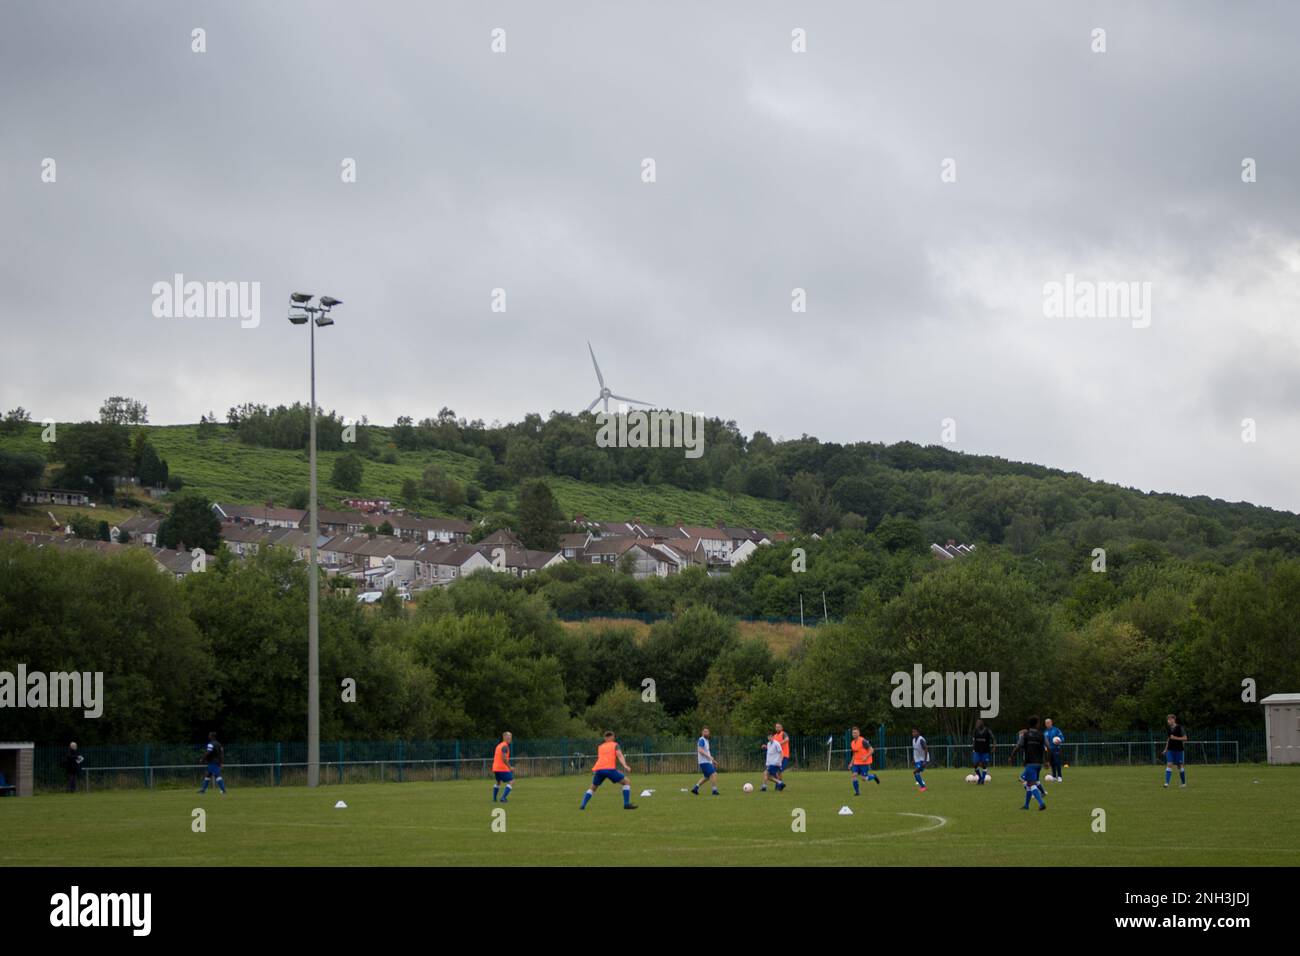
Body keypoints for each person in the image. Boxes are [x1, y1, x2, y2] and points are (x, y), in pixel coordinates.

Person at [580, 731, 638, 810]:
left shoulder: (600, 746)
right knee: (626, 782)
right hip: (609, 769)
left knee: (593, 788)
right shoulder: (615, 745)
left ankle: (583, 805)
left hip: (599, 769)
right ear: (613, 737)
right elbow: (619, 755)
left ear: (605, 738)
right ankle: (626, 804)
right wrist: (625, 765)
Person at [1010, 716, 1047, 811]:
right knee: (1030, 784)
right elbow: (1048, 747)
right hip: (1039, 764)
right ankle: (1026, 805)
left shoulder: (1025, 735)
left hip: (1030, 763)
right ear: (1037, 724)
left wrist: (1012, 756)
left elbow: (1018, 746)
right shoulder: (1041, 735)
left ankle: (1041, 803)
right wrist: (1047, 761)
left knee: (1031, 783)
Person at [848, 726, 879, 793]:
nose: (854, 734)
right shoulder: (852, 743)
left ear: (859, 733)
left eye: (856, 733)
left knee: (863, 778)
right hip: (856, 763)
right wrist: (851, 763)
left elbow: (871, 750)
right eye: (853, 733)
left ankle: (873, 776)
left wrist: (866, 756)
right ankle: (857, 792)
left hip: (864, 763)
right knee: (854, 775)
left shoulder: (863, 741)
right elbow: (854, 754)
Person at [692, 727, 720, 796]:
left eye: (707, 732)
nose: (706, 733)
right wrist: (709, 757)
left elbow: (707, 752)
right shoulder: (701, 740)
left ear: (709, 733)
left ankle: (695, 788)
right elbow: (700, 750)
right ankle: (714, 791)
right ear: (702, 733)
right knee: (713, 774)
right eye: (704, 731)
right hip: (704, 762)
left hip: (707, 761)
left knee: (707, 777)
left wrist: (713, 761)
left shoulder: (706, 741)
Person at [1162, 713, 1188, 789]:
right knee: (1169, 764)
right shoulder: (1168, 728)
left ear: (1173, 719)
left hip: (1179, 750)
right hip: (1170, 749)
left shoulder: (1180, 727)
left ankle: (1183, 783)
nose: (1168, 721)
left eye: (1169, 719)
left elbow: (1185, 738)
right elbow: (1169, 739)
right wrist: (1165, 749)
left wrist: (1176, 738)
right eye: (1167, 720)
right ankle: (1166, 783)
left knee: (1179, 766)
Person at [492, 731, 514, 802]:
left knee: (498, 782)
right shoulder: (505, 746)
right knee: (511, 781)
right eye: (508, 737)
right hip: (502, 768)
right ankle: (503, 798)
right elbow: (504, 758)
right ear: (504, 737)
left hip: (495, 768)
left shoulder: (499, 745)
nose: (509, 738)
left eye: (510, 737)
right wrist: (510, 767)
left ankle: (494, 799)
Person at [971, 720, 994, 785]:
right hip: (977, 750)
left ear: (981, 724)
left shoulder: (987, 730)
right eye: (976, 724)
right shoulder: (975, 730)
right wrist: (973, 748)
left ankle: (982, 780)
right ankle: (980, 778)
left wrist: (994, 747)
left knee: (984, 765)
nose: (977, 725)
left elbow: (993, 738)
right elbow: (973, 740)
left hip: (985, 751)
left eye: (978, 724)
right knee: (975, 764)